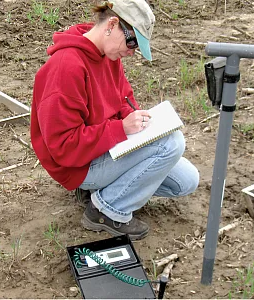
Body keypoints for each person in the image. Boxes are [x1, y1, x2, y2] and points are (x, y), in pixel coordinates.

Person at [31, 0, 199, 240]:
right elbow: (63, 148)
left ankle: (105, 190)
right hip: (78, 165)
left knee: (186, 181)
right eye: (132, 42)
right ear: (112, 24)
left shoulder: (108, 55)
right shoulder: (66, 68)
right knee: (171, 144)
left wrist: (138, 124)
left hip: (105, 149)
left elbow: (123, 99)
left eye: (136, 47)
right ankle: (106, 210)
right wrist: (120, 129)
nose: (131, 51)